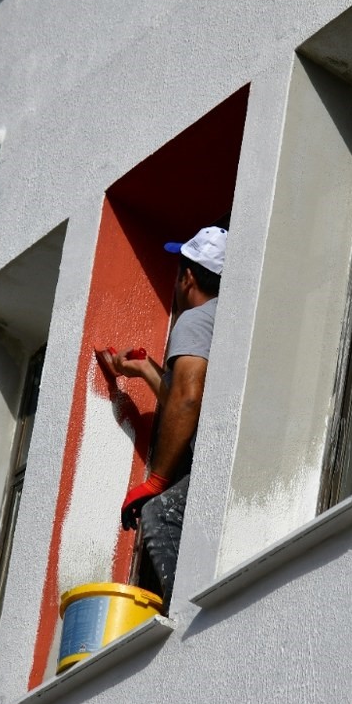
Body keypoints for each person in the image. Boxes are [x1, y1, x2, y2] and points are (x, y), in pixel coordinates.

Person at [110, 225, 225, 610]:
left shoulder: (195, 320)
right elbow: (188, 394)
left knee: (161, 514)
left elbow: (188, 400)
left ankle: (187, 620)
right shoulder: (226, 318)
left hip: (218, 456)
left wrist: (156, 480)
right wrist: (145, 369)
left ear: (188, 276)